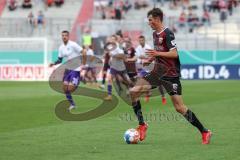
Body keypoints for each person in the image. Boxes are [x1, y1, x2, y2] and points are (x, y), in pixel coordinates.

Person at [129, 8, 212, 144]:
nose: (149, 23)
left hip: (171, 75)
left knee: (180, 108)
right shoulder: (155, 34)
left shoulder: (168, 33)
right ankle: (142, 124)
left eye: (150, 20)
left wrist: (156, 53)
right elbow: (159, 54)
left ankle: (204, 131)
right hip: (157, 72)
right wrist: (151, 59)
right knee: (133, 92)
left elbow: (174, 54)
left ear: (157, 19)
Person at [49, 30, 85, 111]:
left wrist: (84, 63)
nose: (64, 37)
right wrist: (53, 63)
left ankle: (80, 79)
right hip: (68, 69)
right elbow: (60, 59)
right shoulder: (61, 47)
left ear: (68, 37)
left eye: (65, 35)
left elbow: (84, 51)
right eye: (63, 35)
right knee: (65, 88)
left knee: (70, 89)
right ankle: (72, 104)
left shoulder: (73, 44)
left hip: (76, 69)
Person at [135, 35, 167, 104]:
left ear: (144, 40)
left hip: (151, 67)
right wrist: (143, 57)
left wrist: (143, 57)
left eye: (142, 40)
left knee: (159, 83)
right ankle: (148, 93)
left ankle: (163, 97)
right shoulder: (138, 48)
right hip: (144, 67)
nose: (141, 42)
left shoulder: (148, 47)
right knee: (141, 79)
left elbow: (150, 57)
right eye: (140, 40)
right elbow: (138, 57)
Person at [104, 35, 133, 100]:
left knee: (124, 80)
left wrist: (114, 55)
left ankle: (130, 88)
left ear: (116, 40)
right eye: (111, 39)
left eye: (113, 39)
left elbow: (122, 56)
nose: (111, 40)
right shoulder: (110, 46)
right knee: (109, 79)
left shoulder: (119, 47)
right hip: (113, 66)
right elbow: (110, 54)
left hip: (120, 66)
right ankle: (109, 95)